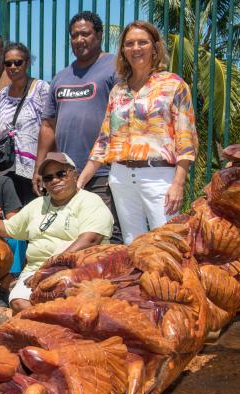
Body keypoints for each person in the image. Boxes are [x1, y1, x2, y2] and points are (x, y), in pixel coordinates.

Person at [77, 21, 197, 244]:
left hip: (159, 177)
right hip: (120, 177)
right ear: (123, 50)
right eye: (129, 43)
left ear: (155, 47)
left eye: (143, 42)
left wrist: (178, 183)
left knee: (169, 243)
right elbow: (104, 141)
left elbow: (186, 137)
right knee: (133, 246)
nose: (136, 48)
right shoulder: (118, 91)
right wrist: (80, 181)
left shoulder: (173, 84)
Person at [0, 152, 113, 312]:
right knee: (19, 302)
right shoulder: (38, 204)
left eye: (61, 174)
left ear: (74, 174)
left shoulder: (90, 200)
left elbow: (91, 239)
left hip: (77, 267)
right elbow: (9, 228)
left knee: (69, 303)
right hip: (37, 271)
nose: (55, 180)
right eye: (48, 177)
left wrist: (49, 269)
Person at [37, 11, 122, 243]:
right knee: (72, 235)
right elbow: (47, 125)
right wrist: (39, 168)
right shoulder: (62, 76)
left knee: (105, 235)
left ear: (99, 35)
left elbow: (122, 119)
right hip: (67, 175)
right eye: (74, 35)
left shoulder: (114, 68)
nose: (79, 40)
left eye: (85, 34)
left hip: (103, 173)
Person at [0, 42, 51, 205]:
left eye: (17, 62)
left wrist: (42, 167)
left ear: (26, 63)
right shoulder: (3, 94)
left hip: (33, 169)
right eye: (8, 63)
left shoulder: (41, 89)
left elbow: (50, 128)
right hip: (5, 169)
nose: (12, 67)